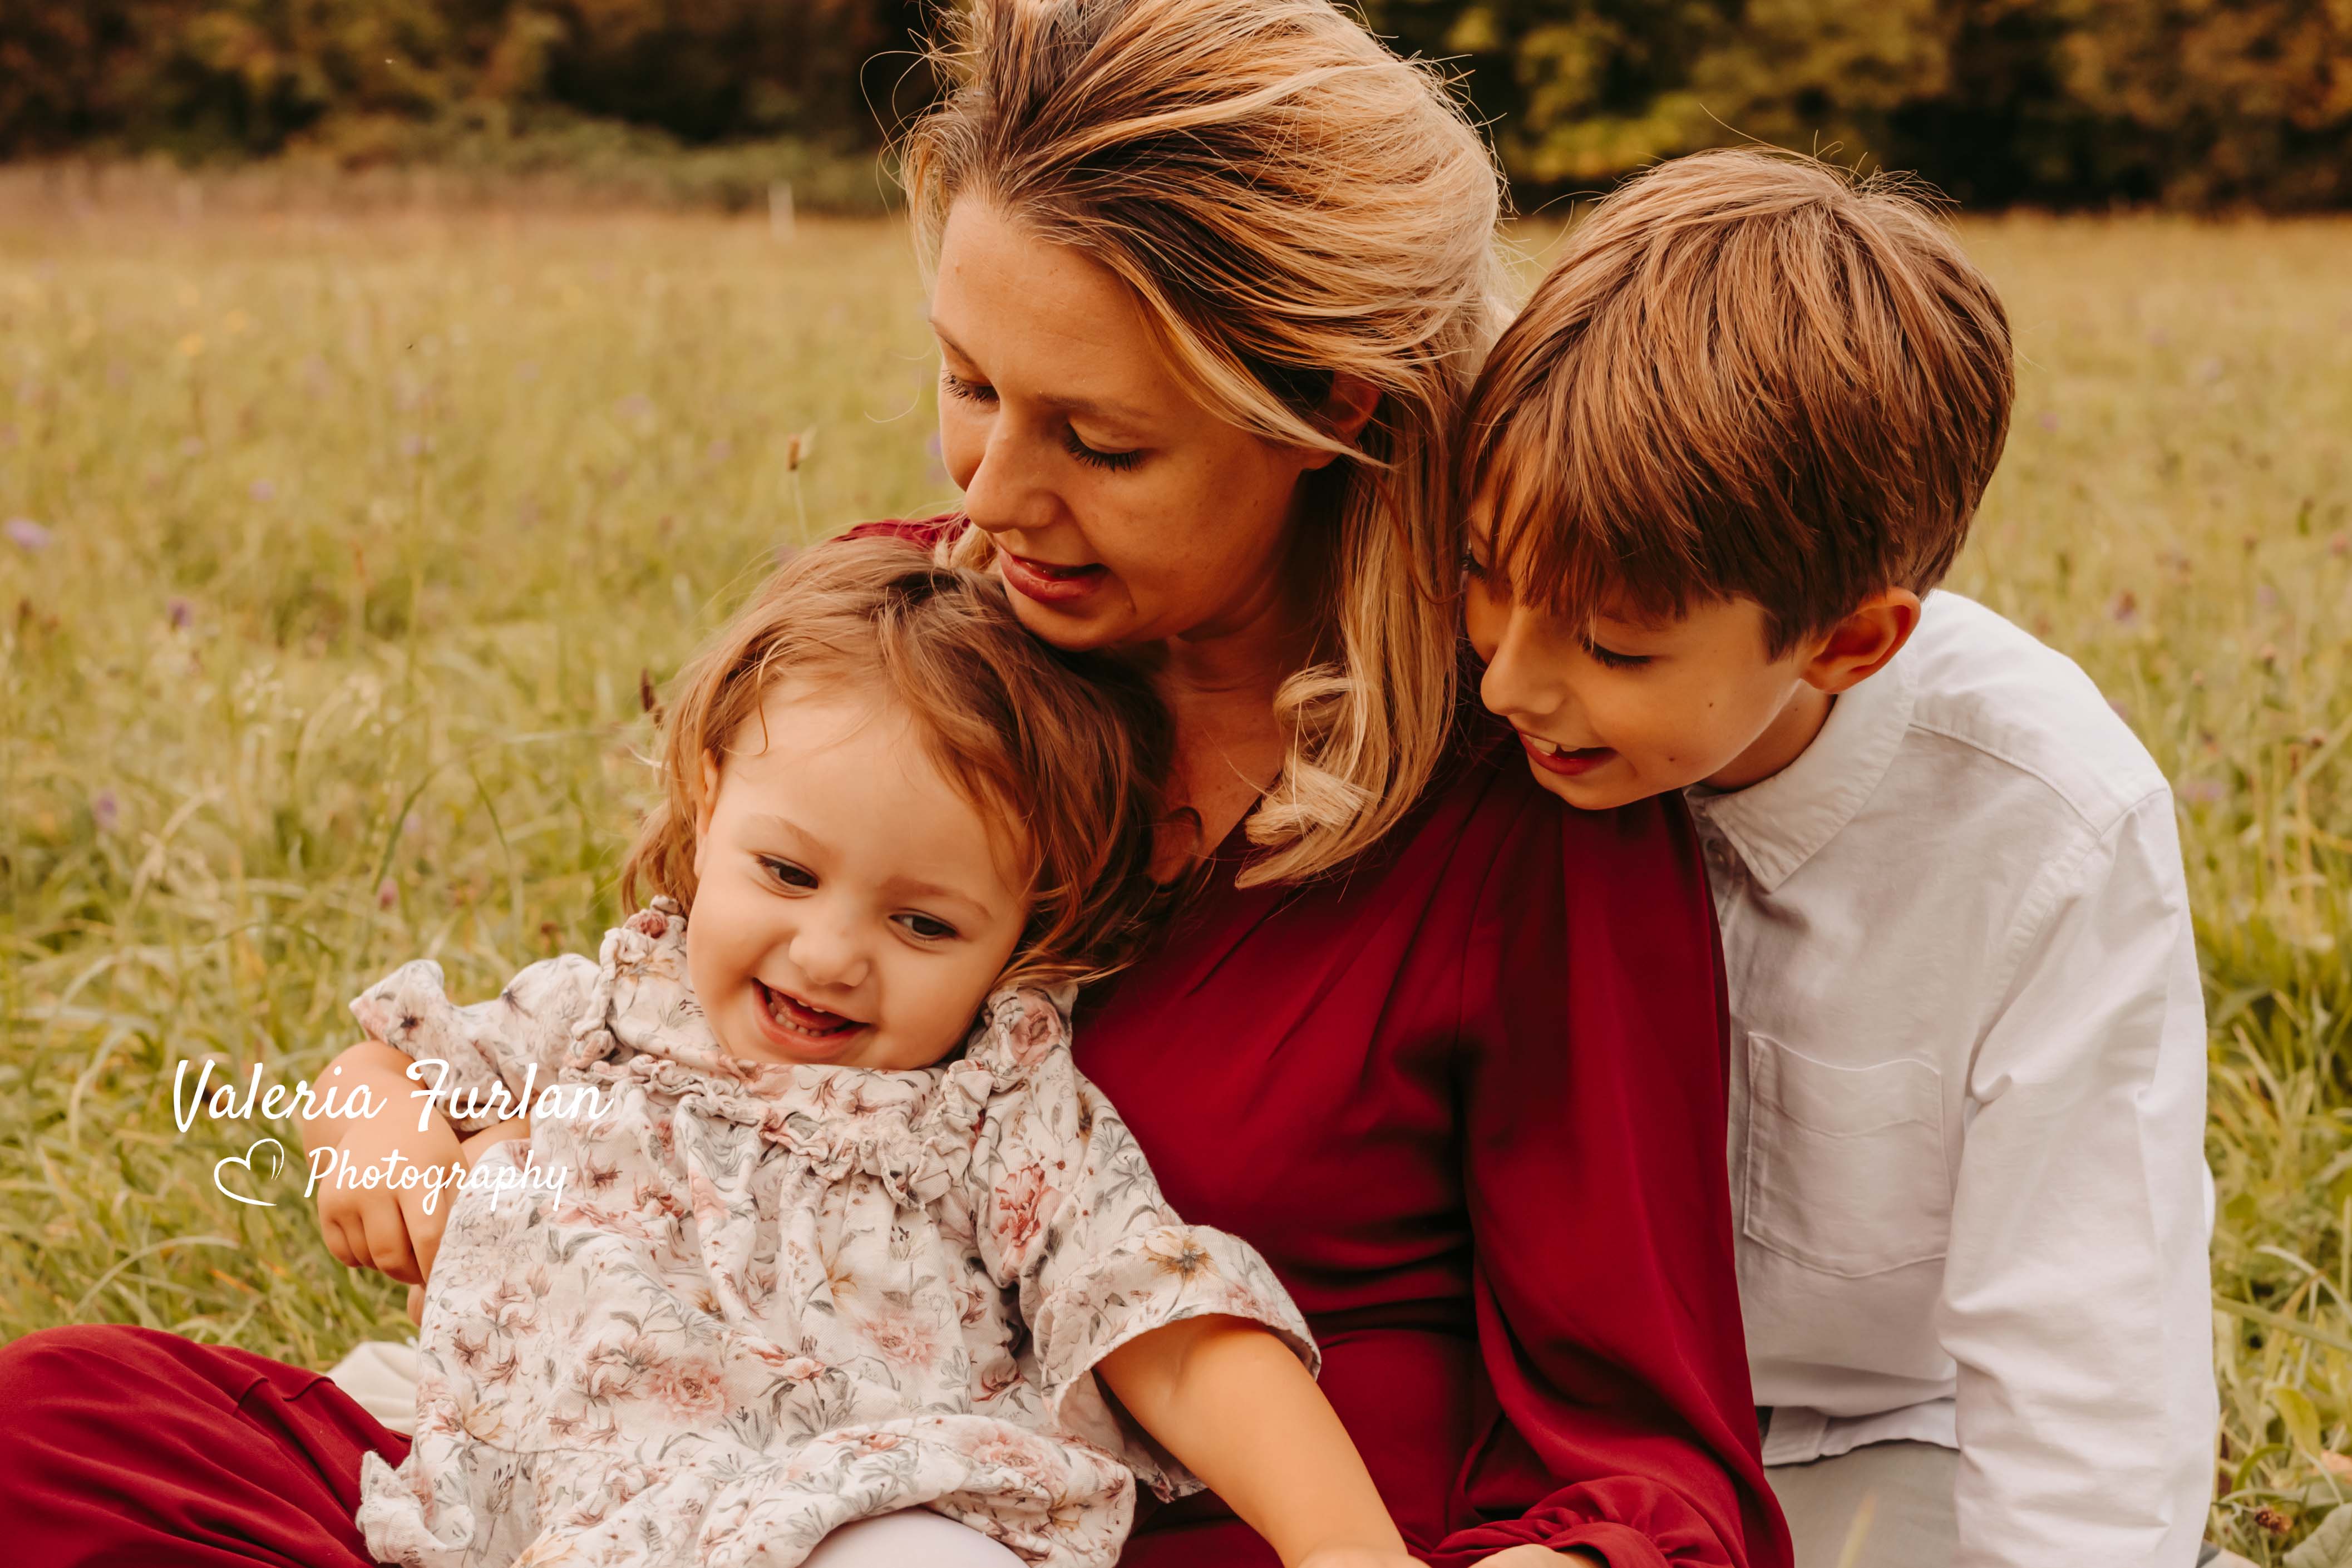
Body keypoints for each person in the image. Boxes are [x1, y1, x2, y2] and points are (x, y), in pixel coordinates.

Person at [0, 5, 1787, 1566]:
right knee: (56, 1425)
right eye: (966, 384)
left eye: (1099, 441)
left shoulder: (1517, 818)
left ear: (1336, 416)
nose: (994, 496)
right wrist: (402, 1129)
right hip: (631, 1479)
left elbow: (1649, 1464)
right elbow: (660, 1076)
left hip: (1056, 1526)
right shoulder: (922, 641)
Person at [304, 539, 1419, 1568]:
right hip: (563, 1497)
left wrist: (1341, 1544)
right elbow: (382, 1068)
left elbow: (1160, 1320)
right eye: (786, 872)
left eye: (923, 924)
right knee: (251, 1421)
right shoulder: (601, 1014)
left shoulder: (991, 1105)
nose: (831, 954)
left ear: (1025, 929)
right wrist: (380, 1132)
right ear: (708, 797)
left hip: (858, 1503)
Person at [1453, 148, 2218, 1567]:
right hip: (1520, 1450)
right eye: (1485, 573)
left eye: (1616, 646)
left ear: (1848, 640)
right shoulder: (1461, 713)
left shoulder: (2042, 823)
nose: (1510, 681)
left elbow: (2086, 1341)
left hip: (1863, 1445)